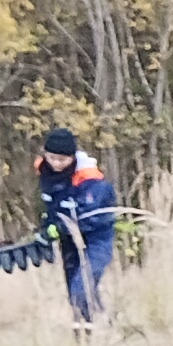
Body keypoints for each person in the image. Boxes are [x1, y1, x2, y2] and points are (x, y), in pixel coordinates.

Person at [35, 129, 118, 328]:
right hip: (69, 242)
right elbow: (51, 207)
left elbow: (90, 216)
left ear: (72, 157)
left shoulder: (91, 180)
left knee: (82, 287)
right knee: (74, 290)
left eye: (62, 160)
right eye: (52, 158)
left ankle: (83, 334)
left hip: (96, 239)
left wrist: (61, 227)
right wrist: (47, 228)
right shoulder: (45, 174)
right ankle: (105, 324)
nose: (56, 164)